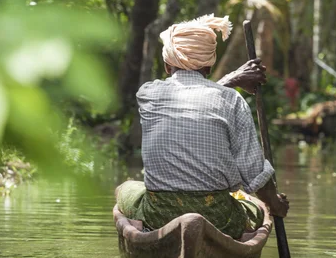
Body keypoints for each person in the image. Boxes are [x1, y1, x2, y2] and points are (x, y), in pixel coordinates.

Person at [116, 14, 289, 239]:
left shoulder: (147, 94)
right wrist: (274, 205)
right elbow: (255, 174)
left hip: (160, 215)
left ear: (168, 65)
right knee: (258, 206)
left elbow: (192, 99)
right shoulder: (231, 100)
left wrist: (230, 80)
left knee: (124, 188)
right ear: (209, 66)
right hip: (220, 218)